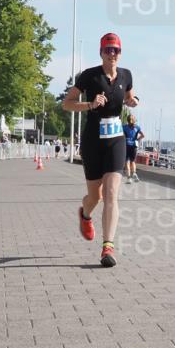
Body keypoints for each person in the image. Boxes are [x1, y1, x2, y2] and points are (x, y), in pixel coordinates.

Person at [62, 32, 138, 267]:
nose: (112, 54)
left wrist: (133, 101)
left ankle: (108, 247)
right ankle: (84, 214)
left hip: (116, 139)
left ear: (120, 53)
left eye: (115, 50)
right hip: (93, 141)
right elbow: (67, 103)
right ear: (101, 52)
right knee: (96, 196)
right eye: (108, 50)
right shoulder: (89, 76)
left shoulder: (126, 75)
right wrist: (90, 105)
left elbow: (128, 96)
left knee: (113, 193)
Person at [122, 114, 145, 183]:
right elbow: (143, 135)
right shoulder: (137, 127)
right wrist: (137, 139)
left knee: (127, 162)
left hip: (126, 145)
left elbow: (121, 135)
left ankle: (129, 178)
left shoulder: (124, 127)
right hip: (134, 146)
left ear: (127, 120)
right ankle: (134, 173)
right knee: (133, 161)